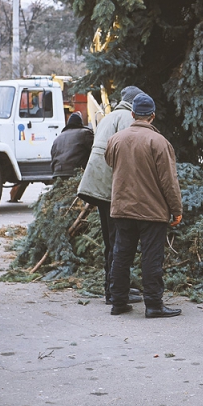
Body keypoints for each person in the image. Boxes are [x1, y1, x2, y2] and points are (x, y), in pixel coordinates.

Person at [105, 93, 183, 318]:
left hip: (122, 208)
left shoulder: (116, 139)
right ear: (153, 116)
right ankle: (153, 305)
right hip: (151, 211)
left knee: (121, 254)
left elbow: (110, 162)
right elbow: (169, 181)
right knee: (151, 257)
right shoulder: (159, 142)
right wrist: (176, 210)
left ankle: (118, 302)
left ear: (132, 114)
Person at [77, 86, 143, 306]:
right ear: (135, 103)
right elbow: (128, 155)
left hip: (99, 186)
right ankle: (117, 292)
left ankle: (113, 289)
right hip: (111, 189)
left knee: (111, 241)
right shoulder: (126, 118)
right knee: (120, 241)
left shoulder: (111, 116)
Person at [50, 111, 94, 178]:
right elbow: (95, 151)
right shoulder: (85, 133)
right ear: (80, 124)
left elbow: (53, 156)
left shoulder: (58, 138)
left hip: (57, 172)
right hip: (75, 172)